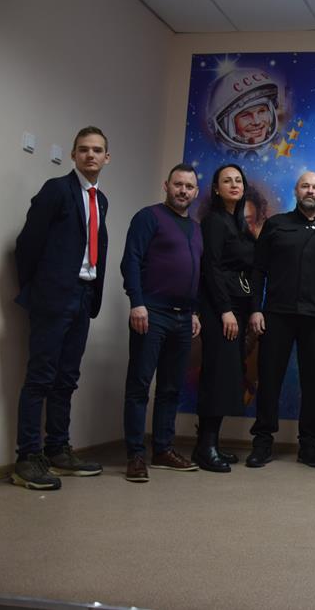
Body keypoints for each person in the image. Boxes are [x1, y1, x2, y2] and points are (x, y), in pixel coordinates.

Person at [11, 127, 111, 490]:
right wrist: (38, 289)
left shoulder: (100, 200)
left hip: (84, 296)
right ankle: (27, 457)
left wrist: (89, 294)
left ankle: (57, 449)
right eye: (83, 149)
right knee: (40, 377)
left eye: (97, 150)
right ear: (73, 155)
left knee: (67, 378)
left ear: (106, 158)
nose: (90, 155)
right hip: (54, 297)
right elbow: (27, 244)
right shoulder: (57, 190)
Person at [246, 171, 315, 468]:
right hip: (276, 315)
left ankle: (309, 446)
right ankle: (262, 443)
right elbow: (258, 270)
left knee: (313, 384)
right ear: (296, 191)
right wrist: (255, 309)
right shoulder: (276, 225)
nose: (310, 191)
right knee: (269, 380)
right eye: (305, 186)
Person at [120, 164, 203, 482]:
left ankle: (163, 450)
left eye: (189, 187)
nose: (183, 191)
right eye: (178, 184)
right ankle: (135, 456)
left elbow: (195, 272)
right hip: (152, 313)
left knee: (170, 388)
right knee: (139, 385)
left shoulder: (196, 228)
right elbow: (131, 260)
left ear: (196, 192)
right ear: (166, 186)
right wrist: (137, 302)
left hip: (183, 317)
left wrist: (194, 312)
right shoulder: (148, 217)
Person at [193, 164, 256, 472]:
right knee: (217, 375)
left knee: (229, 375)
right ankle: (205, 447)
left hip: (237, 308)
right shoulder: (214, 222)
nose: (234, 185)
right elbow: (212, 268)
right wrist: (225, 310)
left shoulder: (239, 224)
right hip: (220, 309)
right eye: (227, 181)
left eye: (238, 180)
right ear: (216, 189)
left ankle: (211, 443)